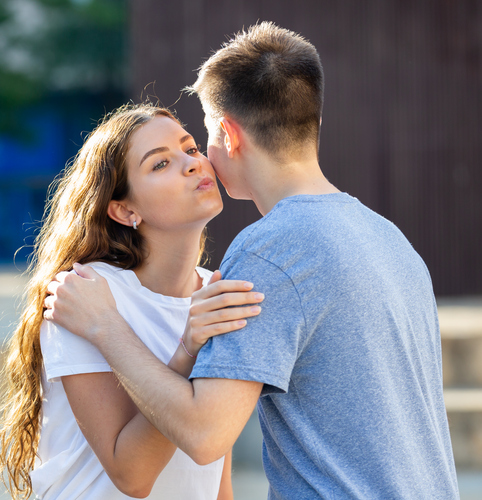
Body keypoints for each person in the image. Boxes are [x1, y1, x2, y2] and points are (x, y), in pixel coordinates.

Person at [44, 22, 460, 499]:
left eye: (196, 143)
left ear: (228, 134)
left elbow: (205, 435)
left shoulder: (269, 250)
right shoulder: (392, 240)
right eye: (162, 162)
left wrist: (107, 328)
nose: (196, 162)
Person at [0, 103, 264, 499]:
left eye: (190, 149)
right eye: (159, 164)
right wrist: (184, 349)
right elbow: (131, 474)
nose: (192, 164)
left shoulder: (216, 289)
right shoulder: (85, 295)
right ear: (125, 210)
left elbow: (213, 471)